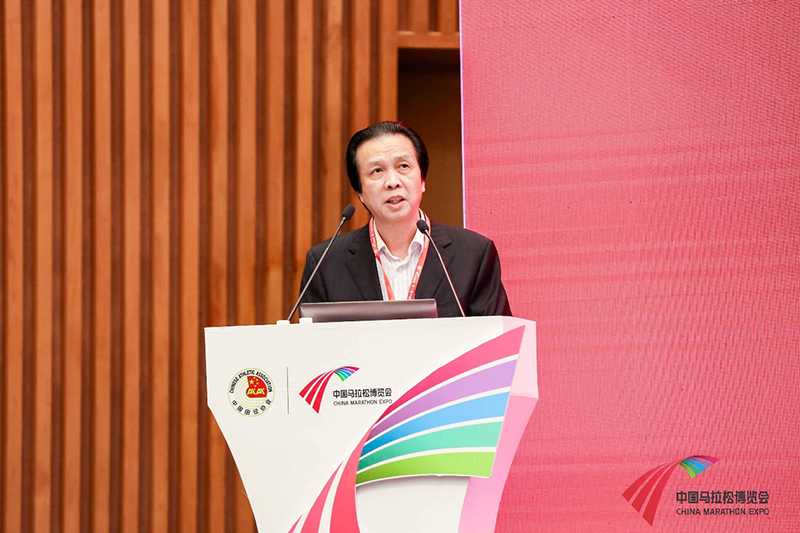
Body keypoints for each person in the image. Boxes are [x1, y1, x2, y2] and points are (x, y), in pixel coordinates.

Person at [299, 121, 511, 317]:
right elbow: (312, 342)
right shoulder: (325, 263)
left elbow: (499, 339)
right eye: (377, 171)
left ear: (422, 180)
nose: (392, 182)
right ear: (360, 192)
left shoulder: (474, 255)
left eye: (403, 166)